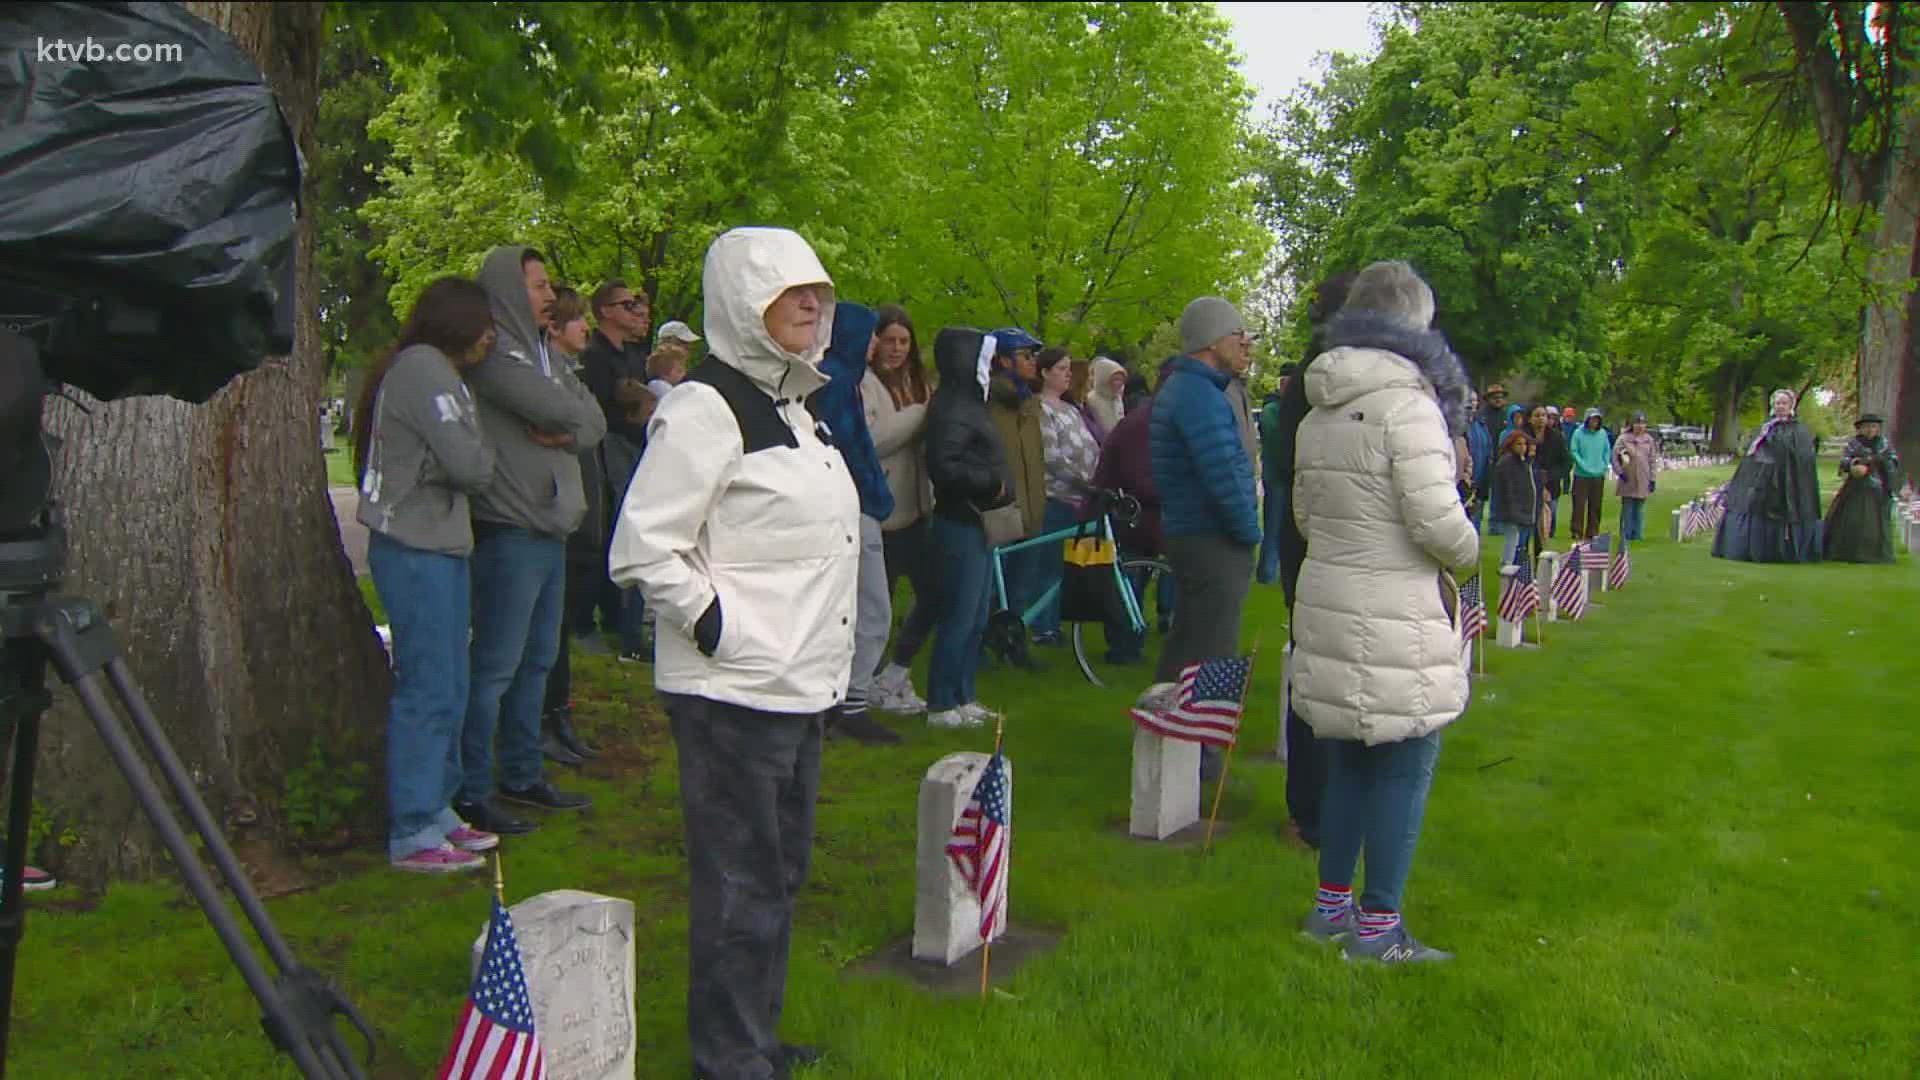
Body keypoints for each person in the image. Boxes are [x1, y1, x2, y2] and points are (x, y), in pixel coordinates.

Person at [608, 227, 854, 1080]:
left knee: (776, 875)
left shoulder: (797, 408)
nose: (812, 306)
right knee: (741, 884)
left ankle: (752, 1039)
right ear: (745, 304)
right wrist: (721, 629)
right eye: (791, 294)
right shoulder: (706, 407)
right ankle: (728, 1059)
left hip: (798, 686)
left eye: (817, 293)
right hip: (734, 694)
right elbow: (643, 546)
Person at [1290, 260, 1478, 965]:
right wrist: (1468, 554)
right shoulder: (1410, 406)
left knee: (1345, 765)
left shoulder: (1320, 407)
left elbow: (1306, 515)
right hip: (1397, 609)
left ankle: (1329, 908)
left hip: (1331, 598)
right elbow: (1436, 521)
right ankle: (1379, 931)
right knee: (1404, 764)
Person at [352, 276, 501, 872]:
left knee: (452, 684)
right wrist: (473, 455)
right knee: (428, 687)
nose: (491, 335)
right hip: (415, 548)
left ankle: (438, 809)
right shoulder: (423, 369)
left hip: (441, 546)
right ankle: (412, 828)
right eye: (483, 321)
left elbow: (470, 456)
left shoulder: (444, 375)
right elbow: (470, 463)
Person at [458, 246, 605, 837]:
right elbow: (562, 412)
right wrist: (570, 420)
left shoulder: (547, 357)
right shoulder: (496, 359)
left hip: (549, 531)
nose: (550, 296)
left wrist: (570, 428)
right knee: (495, 665)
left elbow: (589, 424)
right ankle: (471, 789)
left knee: (537, 661)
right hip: (511, 531)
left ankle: (521, 773)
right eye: (540, 286)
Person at [1151, 297, 1260, 780]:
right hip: (1211, 536)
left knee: (1189, 640)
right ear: (1213, 340)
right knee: (1213, 647)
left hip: (1193, 532)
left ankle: (1166, 737)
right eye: (1239, 336)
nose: (1246, 346)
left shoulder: (1191, 388)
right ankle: (1199, 760)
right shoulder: (1199, 395)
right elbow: (1223, 474)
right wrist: (1249, 530)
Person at [1266, 270, 1354, 849]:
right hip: (1329, 544)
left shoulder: (1310, 375)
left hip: (1317, 545)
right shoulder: (1332, 379)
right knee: (1326, 676)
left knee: (1321, 671)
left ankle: (1317, 807)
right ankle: (1318, 810)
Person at [811, 301, 902, 745]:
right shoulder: (839, 382)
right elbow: (853, 450)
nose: (875, 343)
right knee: (872, 609)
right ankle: (852, 702)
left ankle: (832, 702)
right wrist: (879, 498)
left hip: (841, 509)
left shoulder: (829, 378)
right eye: (870, 334)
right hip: (854, 510)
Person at [924, 327, 1014, 729]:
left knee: (976, 615)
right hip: (961, 521)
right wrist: (989, 483)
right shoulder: (953, 406)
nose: (991, 366)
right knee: (959, 615)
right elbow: (943, 466)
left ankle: (964, 694)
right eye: (986, 358)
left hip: (980, 522)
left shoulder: (970, 403)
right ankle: (942, 704)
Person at [540, 288, 604, 767]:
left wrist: (575, 431)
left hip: (579, 515)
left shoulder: (571, 376)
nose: (586, 328)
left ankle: (560, 715)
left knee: (558, 628)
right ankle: (545, 722)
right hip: (553, 515)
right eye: (576, 320)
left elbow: (595, 423)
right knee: (548, 631)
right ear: (554, 329)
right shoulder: (544, 375)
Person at [865, 304, 935, 715]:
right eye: (889, 340)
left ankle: (895, 672)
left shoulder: (917, 383)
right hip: (884, 511)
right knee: (879, 605)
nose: (896, 349)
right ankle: (866, 685)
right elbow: (874, 440)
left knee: (934, 594)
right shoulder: (866, 383)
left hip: (917, 508)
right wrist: (920, 415)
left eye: (903, 341)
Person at [579, 280, 654, 654]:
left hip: (634, 446)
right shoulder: (595, 356)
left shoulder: (631, 354)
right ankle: (594, 621)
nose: (636, 311)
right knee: (610, 531)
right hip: (610, 450)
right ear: (606, 311)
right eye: (627, 305)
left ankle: (618, 619)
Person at [1091, 366, 1164, 666]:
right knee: (1127, 582)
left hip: (1139, 514)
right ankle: (1124, 646)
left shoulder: (1145, 422)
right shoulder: (1141, 426)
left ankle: (1130, 641)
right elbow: (1138, 476)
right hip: (1128, 513)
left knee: (1134, 579)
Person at [1030, 347, 1101, 644]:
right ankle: (1043, 627)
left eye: (1069, 369)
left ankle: (1055, 621)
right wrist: (1082, 483)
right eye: (1061, 369)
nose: (1068, 374)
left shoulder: (1071, 409)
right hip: (1056, 496)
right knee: (1047, 565)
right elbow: (1052, 457)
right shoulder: (1039, 409)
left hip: (1080, 499)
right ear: (1044, 373)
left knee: (1065, 567)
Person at [1714, 389, 1824, 563]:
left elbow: (1803, 458)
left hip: (1789, 482)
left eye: (1784, 403)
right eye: (1777, 403)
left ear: (1791, 406)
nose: (1780, 406)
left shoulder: (1800, 430)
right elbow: (1752, 453)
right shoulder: (1765, 428)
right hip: (1761, 480)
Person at [985, 328, 1047, 626]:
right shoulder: (987, 402)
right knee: (991, 590)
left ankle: (1013, 644)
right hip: (1002, 510)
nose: (1032, 362)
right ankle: (980, 646)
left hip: (1032, 510)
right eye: (1025, 356)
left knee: (1020, 590)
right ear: (1004, 361)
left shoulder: (1030, 403)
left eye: (1033, 356)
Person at [1823, 413, 1905, 563]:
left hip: (1879, 488)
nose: (1870, 430)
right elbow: (1844, 461)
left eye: (1873, 426)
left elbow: (1893, 461)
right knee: (1853, 520)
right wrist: (1854, 465)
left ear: (1878, 428)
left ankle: (1875, 554)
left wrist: (1880, 463)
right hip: (1856, 489)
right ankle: (1849, 553)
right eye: (1866, 426)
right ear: (1860, 428)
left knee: (1876, 524)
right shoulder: (1853, 444)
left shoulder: (1884, 445)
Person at [1255, 362, 1299, 585]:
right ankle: (1267, 574)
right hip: (1277, 477)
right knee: (1273, 528)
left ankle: (1280, 573)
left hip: (1287, 477)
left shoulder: (1285, 410)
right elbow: (1277, 443)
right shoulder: (1272, 411)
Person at [1526, 405, 1570, 555]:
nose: (1541, 419)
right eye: (1537, 415)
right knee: (1526, 528)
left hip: (1551, 486)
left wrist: (1550, 476)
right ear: (1530, 419)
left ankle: (1540, 559)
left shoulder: (1556, 437)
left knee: (1545, 527)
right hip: (1528, 486)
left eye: (1543, 415)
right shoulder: (1523, 436)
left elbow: (1565, 463)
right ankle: (1521, 561)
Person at [1491, 430, 1538, 567]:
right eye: (1519, 444)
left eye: (1524, 444)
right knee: (1512, 539)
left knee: (1517, 540)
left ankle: (1511, 565)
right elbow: (1507, 490)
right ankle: (1507, 565)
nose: (1523, 447)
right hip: (1511, 510)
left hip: (1521, 509)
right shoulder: (1507, 463)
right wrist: (1513, 511)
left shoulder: (1522, 461)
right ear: (1511, 445)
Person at [1612, 411, 1660, 542]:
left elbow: (1652, 460)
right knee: (1627, 506)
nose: (1640, 426)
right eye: (1637, 423)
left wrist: (1653, 479)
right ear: (1632, 424)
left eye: (1642, 423)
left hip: (1643, 478)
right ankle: (1625, 534)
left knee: (1639, 508)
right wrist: (1620, 472)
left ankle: (1637, 534)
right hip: (1627, 477)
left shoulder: (1649, 440)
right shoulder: (1623, 439)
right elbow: (1615, 457)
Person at [1568, 407, 1612, 541]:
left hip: (1598, 474)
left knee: (1596, 504)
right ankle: (1577, 530)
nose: (1594, 422)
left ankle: (1593, 531)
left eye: (1597, 420)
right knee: (1579, 504)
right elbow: (1574, 450)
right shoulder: (1578, 433)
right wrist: (1583, 465)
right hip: (1582, 475)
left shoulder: (1603, 433)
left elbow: (1607, 450)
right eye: (1592, 419)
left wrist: (1604, 464)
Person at [1464, 391, 1493, 531]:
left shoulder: (1482, 426)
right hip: (1462, 481)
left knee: (1476, 522)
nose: (1471, 404)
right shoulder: (1457, 426)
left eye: (1474, 400)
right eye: (1468, 400)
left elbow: (1488, 452)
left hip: (1480, 480)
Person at [1086, 355, 1127, 438]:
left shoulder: (1117, 398)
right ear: (1104, 378)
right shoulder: (1091, 399)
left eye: (1122, 380)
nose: (1120, 383)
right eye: (1116, 379)